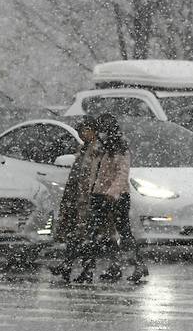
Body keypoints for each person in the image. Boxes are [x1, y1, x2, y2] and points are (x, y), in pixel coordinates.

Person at [76, 113, 148, 283]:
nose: (99, 134)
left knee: (123, 232)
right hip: (98, 196)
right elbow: (95, 173)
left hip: (117, 197)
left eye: (102, 131)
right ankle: (96, 268)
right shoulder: (101, 149)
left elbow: (122, 174)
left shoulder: (120, 150)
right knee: (97, 235)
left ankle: (137, 264)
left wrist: (111, 192)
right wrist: (90, 190)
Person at [49, 116, 101, 282]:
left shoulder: (97, 150)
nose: (83, 134)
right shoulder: (84, 149)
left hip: (87, 198)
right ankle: (70, 266)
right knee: (74, 235)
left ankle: (75, 267)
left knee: (85, 236)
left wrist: (90, 195)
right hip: (75, 197)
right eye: (81, 131)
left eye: (86, 130)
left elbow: (93, 175)